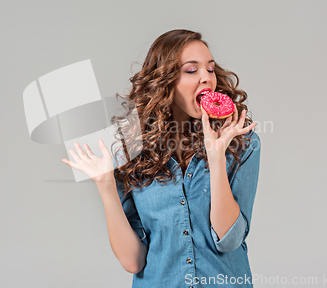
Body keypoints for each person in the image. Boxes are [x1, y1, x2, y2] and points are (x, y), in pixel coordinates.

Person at [61, 29, 261, 288]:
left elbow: (228, 240)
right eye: (192, 70)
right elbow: (133, 262)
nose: (206, 78)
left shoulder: (242, 144)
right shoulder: (130, 150)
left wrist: (216, 156)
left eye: (210, 69)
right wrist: (105, 184)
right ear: (164, 80)